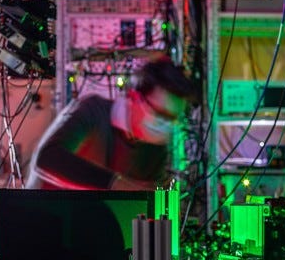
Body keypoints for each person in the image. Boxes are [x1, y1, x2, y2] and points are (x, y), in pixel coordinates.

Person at [26, 56, 196, 190]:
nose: (165, 124)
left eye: (173, 118)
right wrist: (116, 184)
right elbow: (48, 159)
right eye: (161, 113)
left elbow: (146, 203)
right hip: (48, 218)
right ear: (134, 97)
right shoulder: (93, 112)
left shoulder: (154, 149)